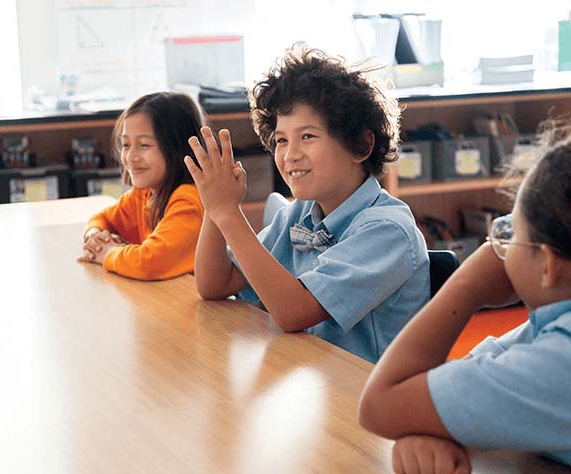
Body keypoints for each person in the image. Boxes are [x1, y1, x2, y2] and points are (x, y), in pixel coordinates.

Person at [184, 46, 429, 363]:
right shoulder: (299, 214)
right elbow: (215, 283)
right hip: (312, 382)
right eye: (282, 140)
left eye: (308, 137)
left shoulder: (388, 231)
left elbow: (293, 312)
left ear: (361, 145)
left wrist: (228, 213)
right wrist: (213, 206)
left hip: (368, 398)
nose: (290, 155)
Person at [358, 123, 571, 473]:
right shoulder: (551, 329)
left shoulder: (559, 361)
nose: (498, 244)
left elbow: (380, 404)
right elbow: (465, 379)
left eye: (512, 231)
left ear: (547, 265)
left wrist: (468, 283)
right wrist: (431, 425)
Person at [78, 92, 205, 280]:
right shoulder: (144, 194)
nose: (130, 157)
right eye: (126, 145)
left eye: (144, 145)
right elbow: (103, 219)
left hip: (195, 305)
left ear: (177, 147)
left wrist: (107, 253)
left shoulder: (188, 200)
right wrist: (95, 236)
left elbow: (150, 262)